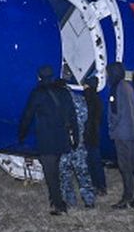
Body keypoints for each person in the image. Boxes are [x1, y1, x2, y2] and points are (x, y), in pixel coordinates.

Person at [18, 64, 78, 213]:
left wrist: (21, 134)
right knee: (56, 170)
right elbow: (73, 116)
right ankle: (56, 199)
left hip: (47, 140)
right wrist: (75, 138)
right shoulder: (64, 92)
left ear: (39, 77)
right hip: (62, 139)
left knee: (51, 174)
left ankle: (59, 205)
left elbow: (27, 116)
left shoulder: (38, 93)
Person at [106, 62, 134, 207]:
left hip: (121, 133)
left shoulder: (116, 87)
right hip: (132, 131)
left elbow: (115, 112)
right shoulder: (128, 86)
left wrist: (112, 128)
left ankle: (127, 197)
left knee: (125, 166)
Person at [60, 87, 97, 208]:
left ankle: (70, 201)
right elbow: (85, 118)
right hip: (79, 143)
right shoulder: (80, 99)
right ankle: (89, 200)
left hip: (65, 144)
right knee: (83, 173)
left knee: (65, 174)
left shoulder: (60, 101)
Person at [82, 76, 107, 196]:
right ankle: (101, 185)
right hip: (94, 133)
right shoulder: (98, 98)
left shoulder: (87, 97)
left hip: (87, 133)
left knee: (90, 162)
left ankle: (95, 185)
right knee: (96, 161)